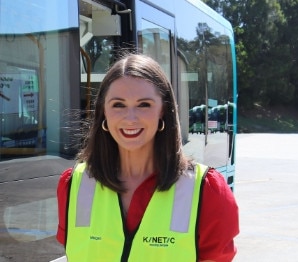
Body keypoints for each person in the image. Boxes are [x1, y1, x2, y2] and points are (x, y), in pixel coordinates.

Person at [56, 54, 239, 261]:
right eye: (118, 105)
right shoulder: (73, 185)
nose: (130, 118)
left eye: (144, 104)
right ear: (103, 112)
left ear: (163, 110)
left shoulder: (208, 191)